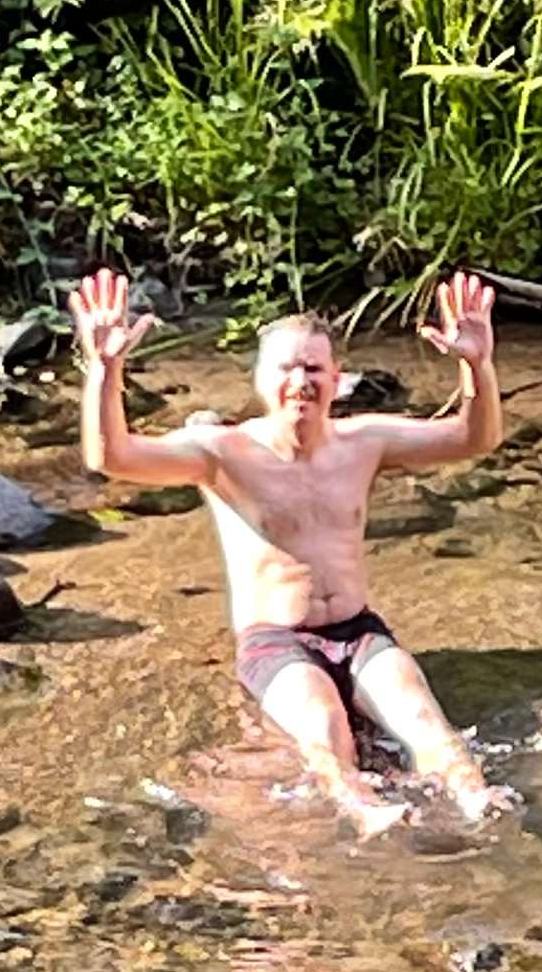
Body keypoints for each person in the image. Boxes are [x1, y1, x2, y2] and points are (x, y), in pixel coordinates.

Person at [75, 265, 505, 836]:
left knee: (425, 721)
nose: (300, 380)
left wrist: (476, 365)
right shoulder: (221, 453)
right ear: (259, 379)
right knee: (324, 725)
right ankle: (366, 813)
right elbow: (113, 456)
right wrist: (106, 370)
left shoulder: (364, 442)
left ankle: (479, 800)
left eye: (313, 367)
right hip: (276, 640)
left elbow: (474, 438)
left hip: (359, 629)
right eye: (287, 367)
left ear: (336, 378)